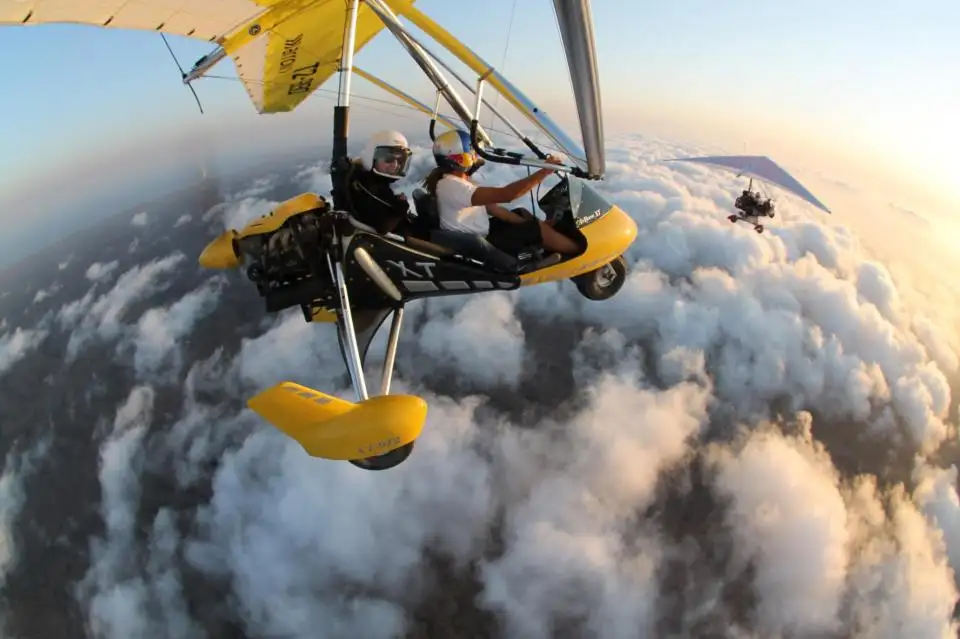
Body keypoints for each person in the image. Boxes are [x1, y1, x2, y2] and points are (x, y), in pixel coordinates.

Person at [422, 129, 580, 256]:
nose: (476, 155)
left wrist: (530, 223)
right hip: (476, 248)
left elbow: (495, 209)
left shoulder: (454, 182)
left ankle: (551, 238)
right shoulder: (453, 186)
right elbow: (507, 195)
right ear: (460, 158)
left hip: (480, 235)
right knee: (533, 230)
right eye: (472, 151)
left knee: (522, 214)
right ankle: (578, 252)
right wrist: (544, 172)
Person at [346, 130, 413, 235]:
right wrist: (400, 210)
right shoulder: (366, 186)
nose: (395, 165)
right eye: (389, 159)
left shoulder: (370, 181)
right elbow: (382, 227)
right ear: (372, 157)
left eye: (400, 160)